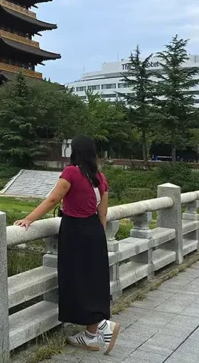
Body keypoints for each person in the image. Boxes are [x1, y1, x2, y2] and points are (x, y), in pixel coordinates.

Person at [13, 136, 119, 354]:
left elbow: (53, 199)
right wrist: (97, 236)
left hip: (75, 232)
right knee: (92, 280)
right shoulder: (100, 178)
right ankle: (93, 332)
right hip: (95, 233)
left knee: (76, 280)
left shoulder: (71, 173)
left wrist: (29, 219)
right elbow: (103, 213)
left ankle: (100, 327)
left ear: (74, 151)